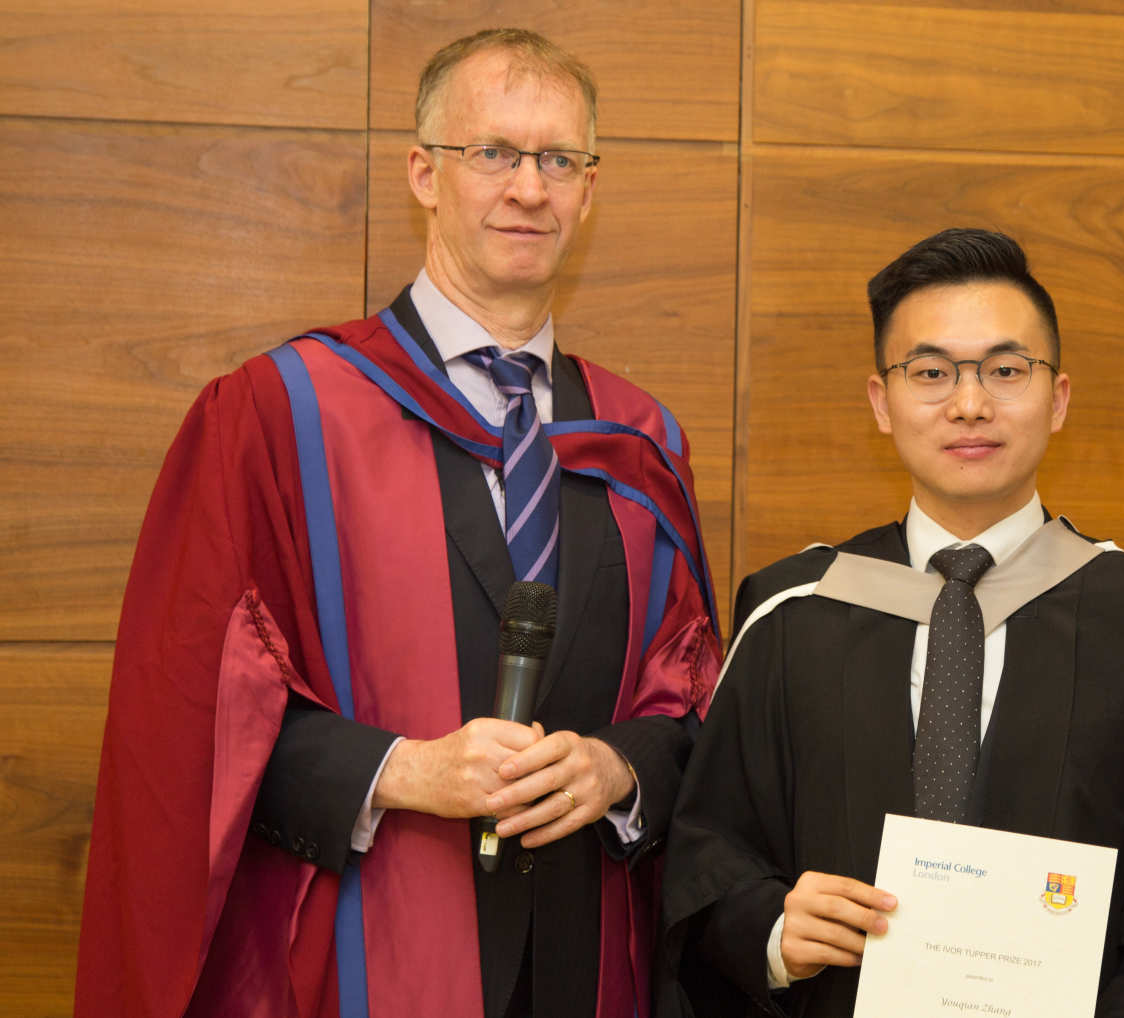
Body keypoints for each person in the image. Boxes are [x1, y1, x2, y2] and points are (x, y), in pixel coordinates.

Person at [75, 28, 720, 1018]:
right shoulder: (283, 416)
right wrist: (402, 770)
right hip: (364, 957)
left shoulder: (640, 441)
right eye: (492, 153)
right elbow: (193, 713)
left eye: (558, 160)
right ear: (424, 173)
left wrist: (617, 766)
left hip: (586, 959)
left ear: (589, 191)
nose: (528, 188)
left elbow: (695, 710)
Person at [660, 228, 1124, 1018]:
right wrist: (773, 932)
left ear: (1058, 399)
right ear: (881, 403)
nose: (970, 404)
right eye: (931, 372)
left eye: (1006, 371)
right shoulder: (794, 612)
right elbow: (710, 857)